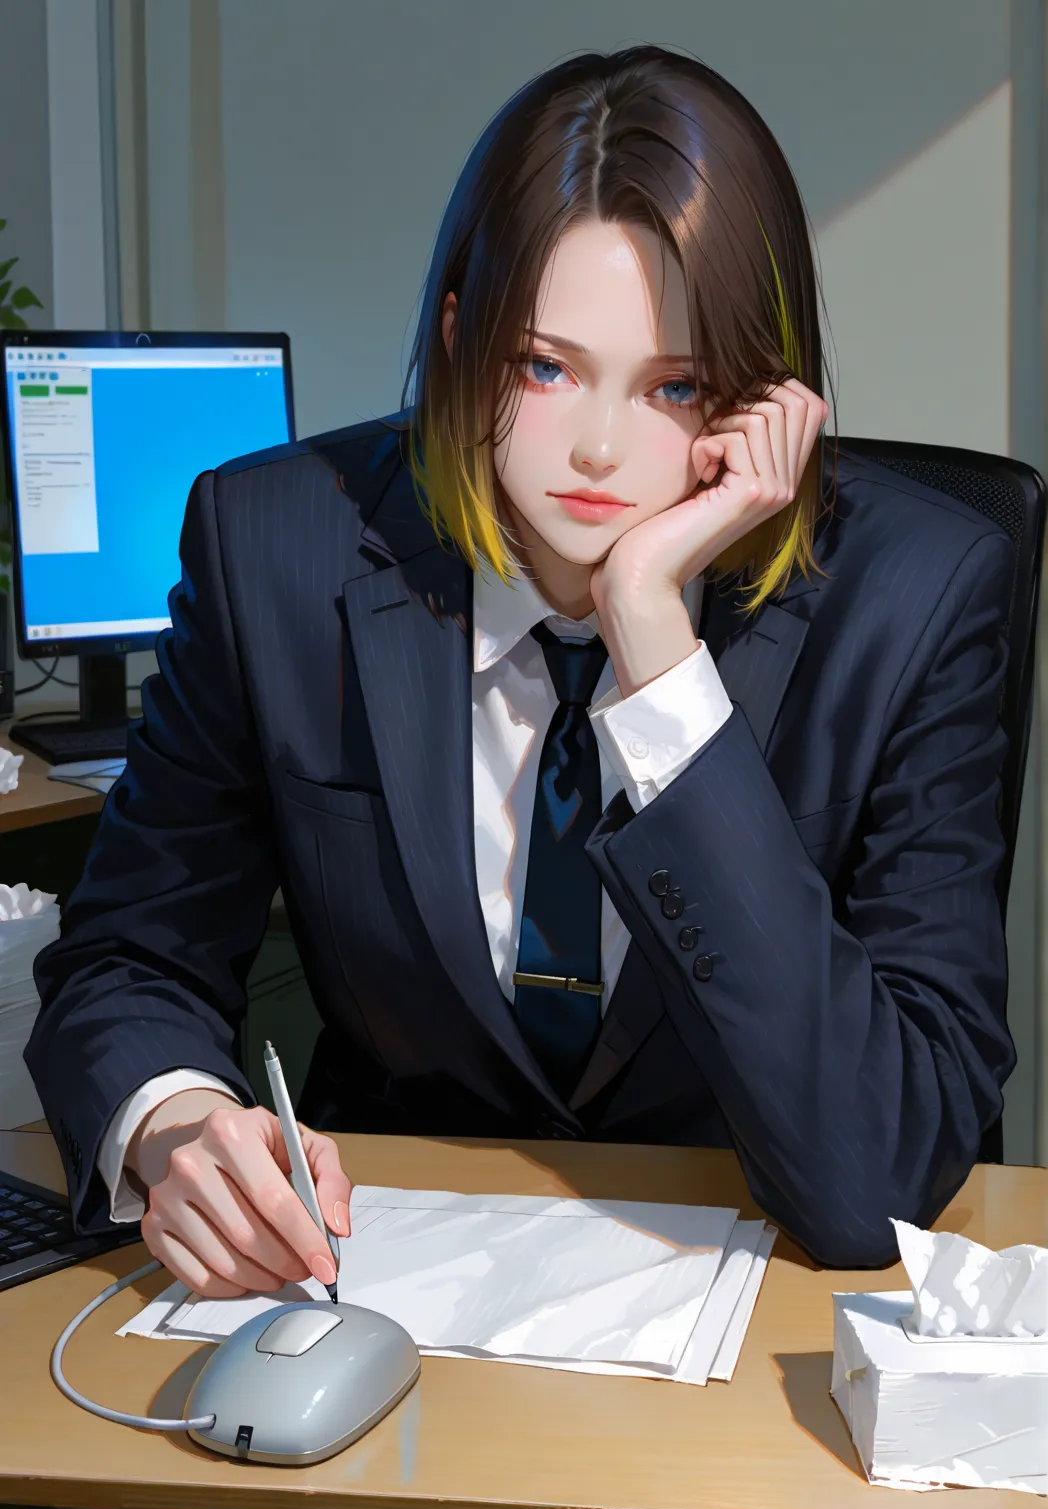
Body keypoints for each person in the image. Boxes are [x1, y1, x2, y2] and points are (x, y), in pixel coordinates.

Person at [26, 45, 1015, 1291]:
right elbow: (129, 954)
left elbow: (877, 1175)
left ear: (764, 400)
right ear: (457, 337)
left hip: (756, 1294)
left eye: (679, 384)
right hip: (369, 1275)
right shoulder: (273, 548)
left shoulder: (917, 598)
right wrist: (170, 1124)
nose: (600, 447)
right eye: (545, 367)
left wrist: (655, 651)